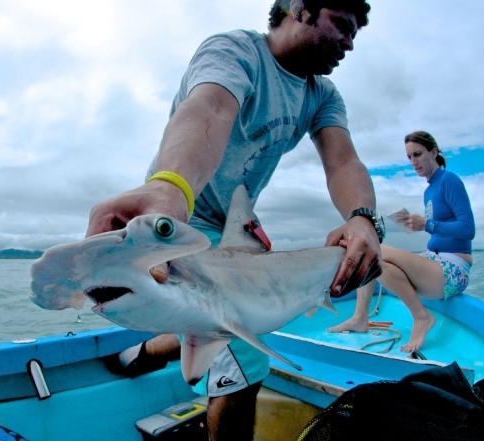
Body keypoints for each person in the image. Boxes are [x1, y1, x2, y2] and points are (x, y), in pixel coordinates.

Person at [86, 1, 381, 439]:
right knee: (246, 351)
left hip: (237, 224)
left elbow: (342, 161)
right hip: (183, 216)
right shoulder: (235, 51)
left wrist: (362, 219)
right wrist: (171, 186)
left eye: (356, 32)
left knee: (250, 315)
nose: (350, 42)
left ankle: (148, 350)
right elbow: (211, 109)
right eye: (341, 24)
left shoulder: (321, 94)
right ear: (298, 9)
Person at [328, 130, 475, 353]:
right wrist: (416, 226)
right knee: (374, 261)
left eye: (417, 154)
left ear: (433, 152)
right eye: (409, 157)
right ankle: (360, 317)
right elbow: (442, 231)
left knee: (371, 247)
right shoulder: (429, 191)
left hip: (453, 271)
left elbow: (468, 229)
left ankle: (421, 317)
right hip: (434, 261)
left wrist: (426, 225)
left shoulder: (449, 181)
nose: (413, 162)